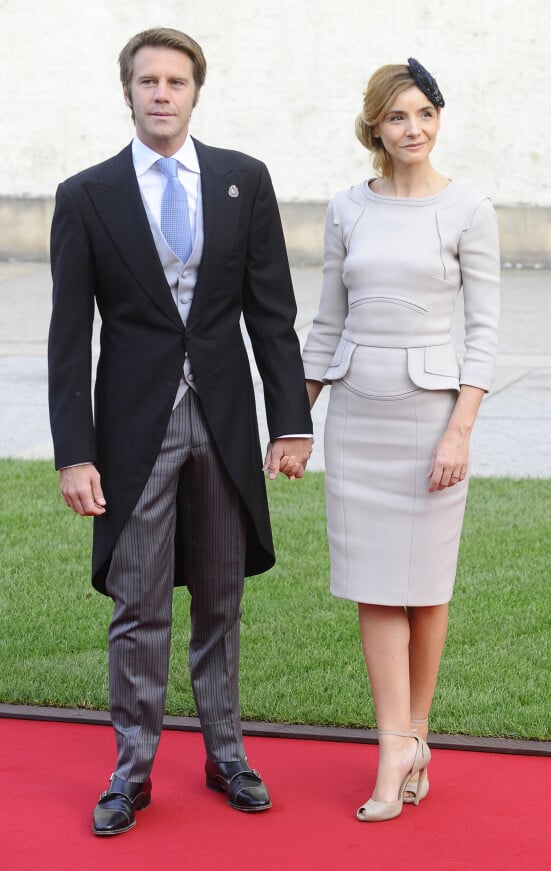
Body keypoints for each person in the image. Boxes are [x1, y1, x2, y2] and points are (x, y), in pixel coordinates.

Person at [48, 27, 313, 836]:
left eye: (176, 81)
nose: (162, 93)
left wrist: (291, 422)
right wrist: (76, 452)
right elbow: (69, 336)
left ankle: (226, 753)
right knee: (138, 604)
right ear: (126, 91)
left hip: (225, 421)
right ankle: (131, 771)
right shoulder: (85, 195)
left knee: (222, 599)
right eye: (148, 81)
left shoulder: (244, 181)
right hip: (134, 430)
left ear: (197, 91)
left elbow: (272, 313)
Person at [302, 59, 500, 822]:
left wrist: (461, 427)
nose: (412, 129)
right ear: (374, 126)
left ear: (438, 119)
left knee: (425, 587)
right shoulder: (346, 209)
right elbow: (326, 322)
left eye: (423, 114)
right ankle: (396, 743)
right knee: (375, 585)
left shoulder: (469, 209)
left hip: (430, 421)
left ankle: (416, 731)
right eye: (397, 117)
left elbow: (484, 333)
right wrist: (295, 418)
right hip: (357, 415)